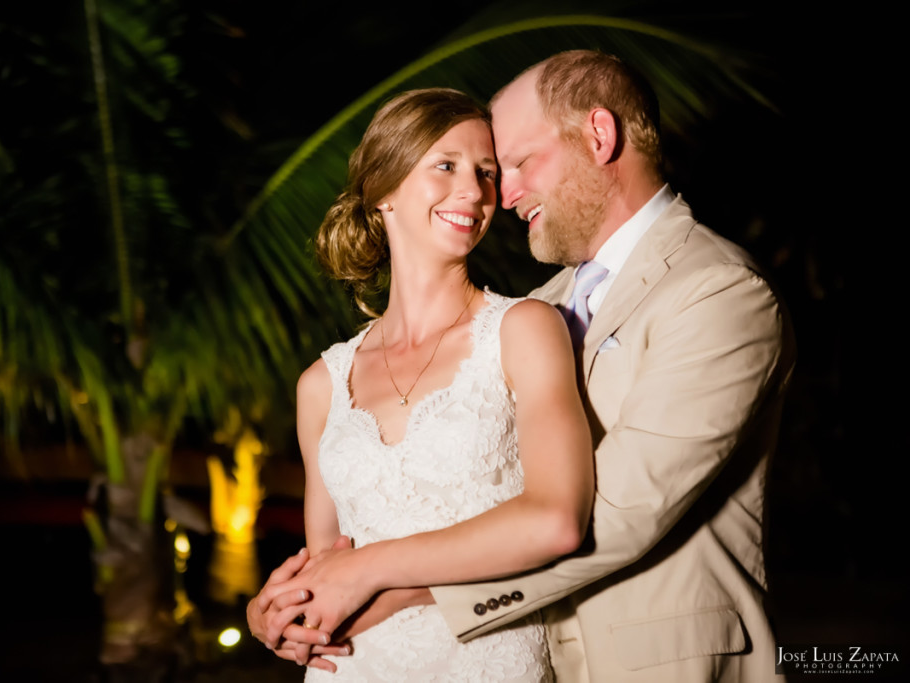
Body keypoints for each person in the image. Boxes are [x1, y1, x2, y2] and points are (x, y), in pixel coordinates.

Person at [250, 51, 796, 682]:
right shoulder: (542, 307)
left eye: (510, 165)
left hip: (656, 663)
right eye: (465, 167)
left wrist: (377, 583)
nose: (499, 196)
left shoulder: (718, 291)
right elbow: (329, 555)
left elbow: (612, 515)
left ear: (599, 136)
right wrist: (284, 608)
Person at [257, 87, 595, 680]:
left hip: (487, 661)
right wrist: (274, 616)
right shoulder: (322, 384)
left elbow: (556, 520)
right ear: (383, 190)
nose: (474, 191)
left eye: (486, 172)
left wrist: (372, 570)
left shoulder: (525, 330)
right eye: (446, 166)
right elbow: (324, 569)